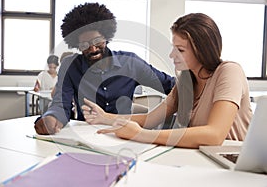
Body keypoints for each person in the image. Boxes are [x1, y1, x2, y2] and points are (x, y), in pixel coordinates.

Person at [81, 13, 252, 148]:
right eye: (173, 48)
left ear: (202, 50)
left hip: (236, 165)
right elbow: (151, 118)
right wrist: (105, 117)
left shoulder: (229, 72)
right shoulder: (185, 81)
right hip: (203, 159)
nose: (172, 55)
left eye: (180, 49)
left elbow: (214, 135)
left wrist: (141, 135)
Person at [34, 2, 175, 135]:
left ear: (107, 37)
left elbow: (170, 85)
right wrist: (51, 117)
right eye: (85, 45)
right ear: (77, 45)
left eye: (97, 41)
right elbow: (61, 103)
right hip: (88, 136)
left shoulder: (131, 63)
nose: (93, 49)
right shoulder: (70, 66)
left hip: (126, 135)